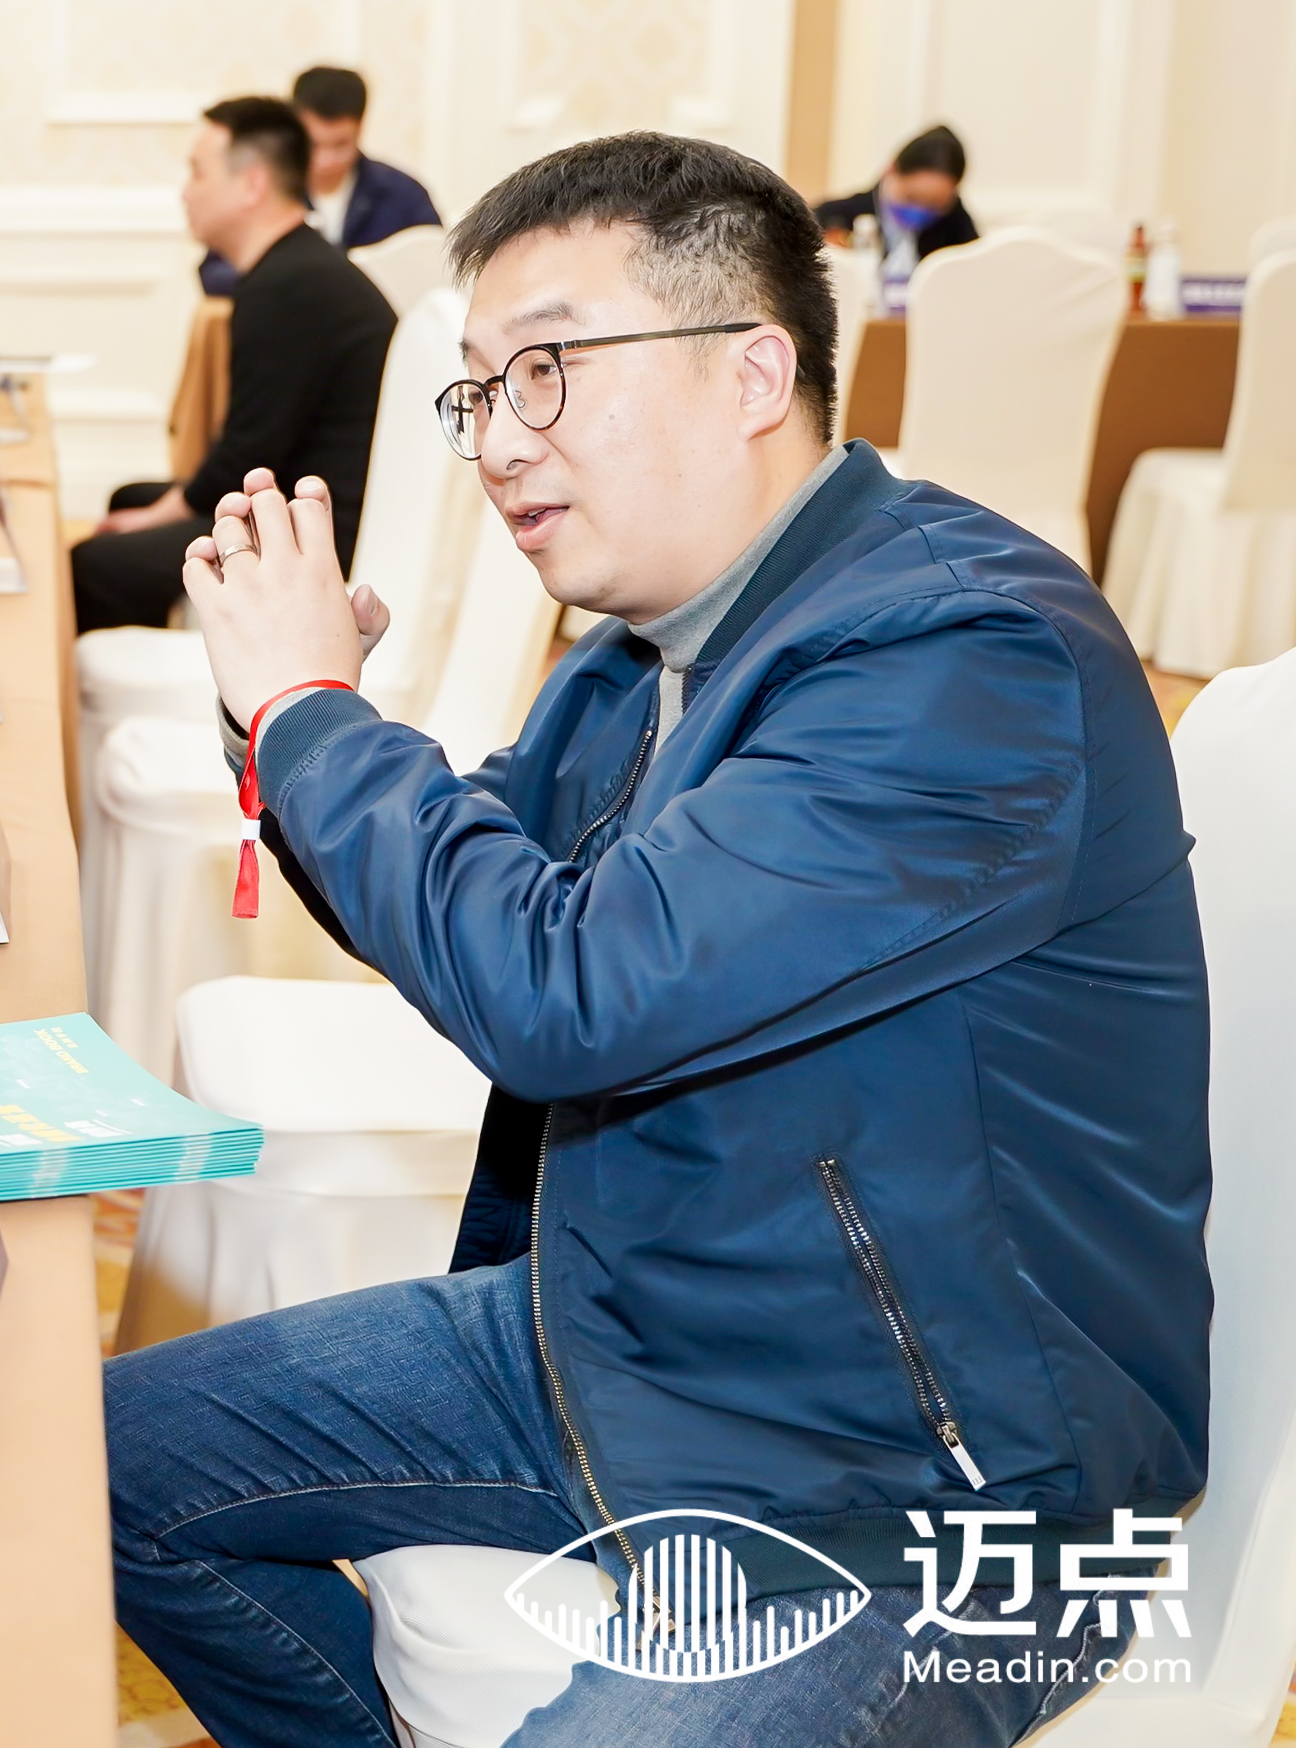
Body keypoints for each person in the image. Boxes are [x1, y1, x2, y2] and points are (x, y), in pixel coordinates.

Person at [113, 132, 1202, 1746]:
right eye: (480, 390)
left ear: (752, 370)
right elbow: (476, 914)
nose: (499, 440)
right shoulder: (650, 648)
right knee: (107, 1471)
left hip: (920, 1468)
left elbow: (561, 993)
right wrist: (279, 728)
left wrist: (312, 718)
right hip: (638, 1328)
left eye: (548, 370)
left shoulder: (960, 650)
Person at [74, 96, 393, 631]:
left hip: (319, 533)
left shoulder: (288, 287)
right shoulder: (296, 267)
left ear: (251, 184)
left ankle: (179, 664)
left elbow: (248, 454)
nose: (186, 191)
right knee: (130, 500)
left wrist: (153, 519)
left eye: (198, 173)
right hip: (302, 499)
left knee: (93, 563)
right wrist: (154, 513)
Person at [197, 64, 439, 293]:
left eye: (341, 145)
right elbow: (215, 271)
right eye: (314, 144)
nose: (326, 161)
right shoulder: (265, 191)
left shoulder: (403, 194)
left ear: (360, 129)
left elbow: (435, 270)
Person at [815, 122, 979, 287]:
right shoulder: (833, 216)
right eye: (911, 198)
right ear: (891, 170)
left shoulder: (957, 227)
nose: (920, 210)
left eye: (935, 205)